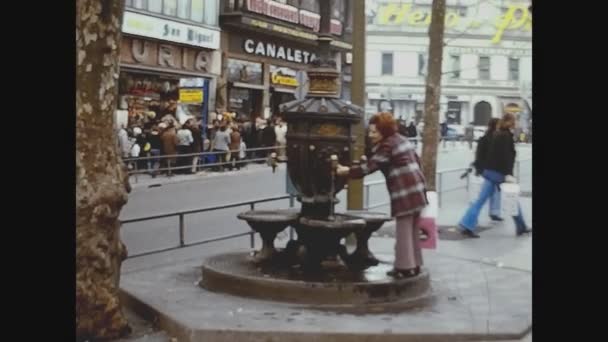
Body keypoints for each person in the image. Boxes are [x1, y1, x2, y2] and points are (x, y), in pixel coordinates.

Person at [336, 112, 428, 278]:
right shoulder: (401, 139)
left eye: (374, 132)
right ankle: (415, 265)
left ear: (384, 131)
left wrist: (346, 171)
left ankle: (404, 267)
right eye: (370, 131)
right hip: (418, 189)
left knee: (404, 231)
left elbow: (368, 168)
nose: (370, 135)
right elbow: (415, 161)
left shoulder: (387, 146)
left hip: (404, 192)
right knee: (413, 230)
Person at [458, 113, 532, 238]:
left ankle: (466, 223)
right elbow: (506, 157)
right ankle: (521, 226)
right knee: (512, 199)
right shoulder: (506, 136)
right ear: (510, 122)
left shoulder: (498, 134)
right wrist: (508, 174)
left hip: (490, 172)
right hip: (499, 173)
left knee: (480, 200)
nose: (517, 123)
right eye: (515, 121)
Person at [471, 118, 502, 221]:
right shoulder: (487, 138)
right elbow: (479, 155)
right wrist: (480, 169)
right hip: (489, 170)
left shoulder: (495, 138)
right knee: (482, 197)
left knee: (494, 192)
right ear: (495, 126)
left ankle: (494, 212)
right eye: (498, 125)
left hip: (492, 170)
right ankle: (468, 221)